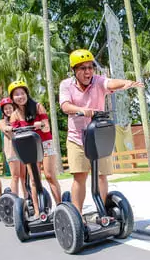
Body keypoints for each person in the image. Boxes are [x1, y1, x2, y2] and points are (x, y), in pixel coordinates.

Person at [59, 49, 144, 219]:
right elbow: (65, 106)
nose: (87, 71)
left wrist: (125, 83)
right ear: (74, 70)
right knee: (80, 176)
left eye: (90, 67)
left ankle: (104, 213)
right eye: (82, 68)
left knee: (101, 176)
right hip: (77, 138)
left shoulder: (98, 81)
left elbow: (109, 83)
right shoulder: (66, 85)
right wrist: (82, 110)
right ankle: (77, 216)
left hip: (98, 136)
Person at [8, 80, 61, 220]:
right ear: (12, 98)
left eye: (22, 93)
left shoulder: (38, 107)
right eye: (16, 94)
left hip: (45, 143)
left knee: (49, 175)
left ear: (27, 94)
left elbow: (47, 127)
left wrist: (40, 125)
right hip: (29, 147)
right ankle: (38, 212)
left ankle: (60, 207)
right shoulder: (14, 115)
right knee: (33, 180)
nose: (20, 96)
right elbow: (13, 134)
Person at [0, 97, 28, 199]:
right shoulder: (2, 121)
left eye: (10, 108)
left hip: (22, 149)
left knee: (23, 176)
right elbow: (4, 128)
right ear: (3, 111)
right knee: (15, 176)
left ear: (13, 107)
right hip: (11, 150)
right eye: (5, 109)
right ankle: (15, 200)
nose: (8, 110)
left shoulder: (19, 119)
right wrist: (9, 128)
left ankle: (27, 198)